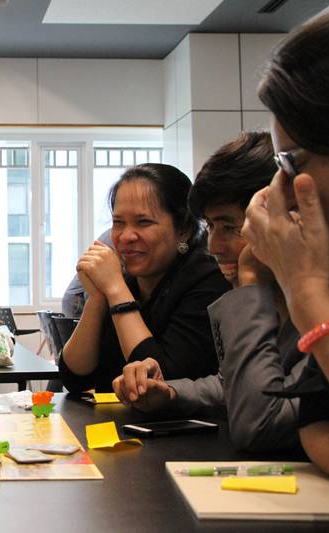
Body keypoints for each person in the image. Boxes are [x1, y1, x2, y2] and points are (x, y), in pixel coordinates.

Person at [112, 133, 306, 451]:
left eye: (229, 227)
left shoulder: (321, 303)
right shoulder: (279, 298)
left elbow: (259, 424)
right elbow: (232, 383)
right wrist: (169, 394)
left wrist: (250, 280)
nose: (214, 246)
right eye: (212, 227)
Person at [241, 3, 329, 491]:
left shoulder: (321, 272)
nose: (283, 193)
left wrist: (308, 290)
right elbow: (318, 426)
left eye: (293, 163)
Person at [59, 163, 228, 392]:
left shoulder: (208, 280)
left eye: (144, 222)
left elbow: (160, 381)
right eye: (118, 223)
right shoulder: (128, 281)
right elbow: (75, 378)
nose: (126, 236)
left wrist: (116, 290)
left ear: (183, 230)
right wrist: (97, 298)